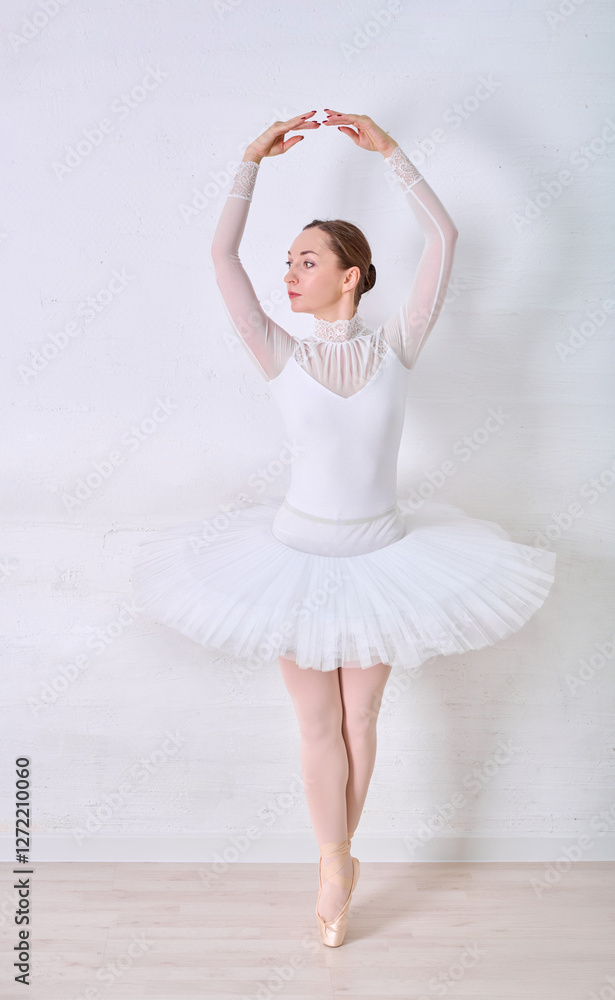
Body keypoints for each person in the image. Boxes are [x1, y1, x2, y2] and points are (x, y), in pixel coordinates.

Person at [131, 109, 557, 947]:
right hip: (292, 557)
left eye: (307, 261)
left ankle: (340, 858)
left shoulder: (399, 343)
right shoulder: (276, 352)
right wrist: (248, 160)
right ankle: (335, 864)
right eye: (287, 262)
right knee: (316, 724)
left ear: (353, 275)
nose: (288, 274)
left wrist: (393, 153)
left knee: (360, 722)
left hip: (382, 558)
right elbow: (220, 257)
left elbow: (446, 237)